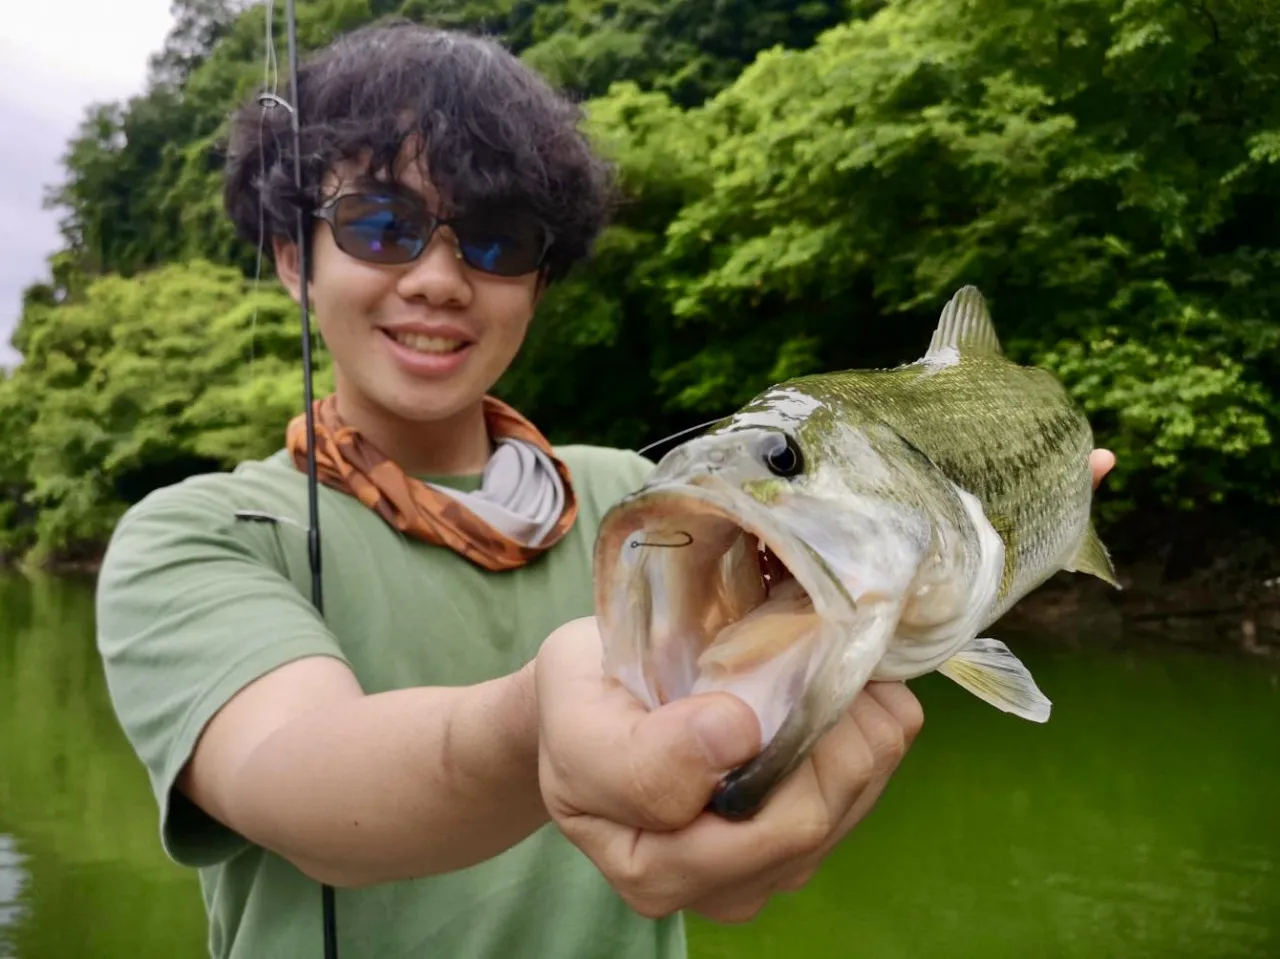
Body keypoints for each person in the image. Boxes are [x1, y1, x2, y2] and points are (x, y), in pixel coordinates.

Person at [94, 19, 1117, 959]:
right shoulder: (197, 535)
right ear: (290, 254)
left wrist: (985, 555)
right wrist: (534, 724)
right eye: (380, 225)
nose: (440, 278)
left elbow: (821, 630)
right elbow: (296, 772)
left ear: (540, 277)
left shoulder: (648, 495)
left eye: (496, 239)